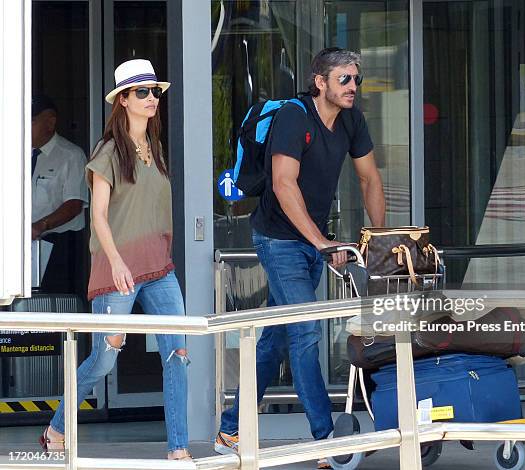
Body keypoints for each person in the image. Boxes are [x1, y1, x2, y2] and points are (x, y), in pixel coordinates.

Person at [216, 47, 386, 469]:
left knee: (275, 339)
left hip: (311, 242)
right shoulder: (295, 117)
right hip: (278, 240)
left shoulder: (351, 120)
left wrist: (378, 239)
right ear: (320, 82)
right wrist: (321, 243)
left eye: (356, 79)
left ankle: (229, 428)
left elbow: (369, 178)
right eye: (344, 79)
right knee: (305, 330)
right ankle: (324, 441)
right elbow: (283, 184)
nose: (352, 87)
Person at [39, 59, 192, 461]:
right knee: (104, 360)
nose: (151, 98)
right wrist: (118, 262)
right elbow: (99, 216)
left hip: (160, 268)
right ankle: (56, 427)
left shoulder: (154, 149)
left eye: (155, 91)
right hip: (117, 269)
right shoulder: (107, 152)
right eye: (142, 92)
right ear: (122, 100)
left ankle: (178, 450)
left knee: (178, 353)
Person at [31, 94, 88, 296]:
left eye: (31, 121)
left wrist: (40, 226)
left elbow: (74, 204)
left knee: (55, 303)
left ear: (50, 122)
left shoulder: (71, 155)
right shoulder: (17, 155)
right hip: (25, 245)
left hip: (60, 245)